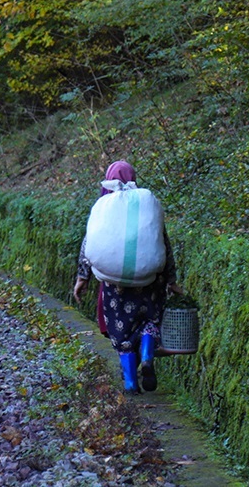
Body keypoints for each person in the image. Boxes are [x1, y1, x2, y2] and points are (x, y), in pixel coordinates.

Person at [73, 160, 183, 393]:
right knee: (149, 322)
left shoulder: (104, 206)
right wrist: (172, 282)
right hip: (149, 283)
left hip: (115, 286)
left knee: (121, 330)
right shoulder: (146, 205)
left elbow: (89, 244)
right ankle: (146, 356)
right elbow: (163, 243)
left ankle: (131, 383)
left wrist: (82, 278)